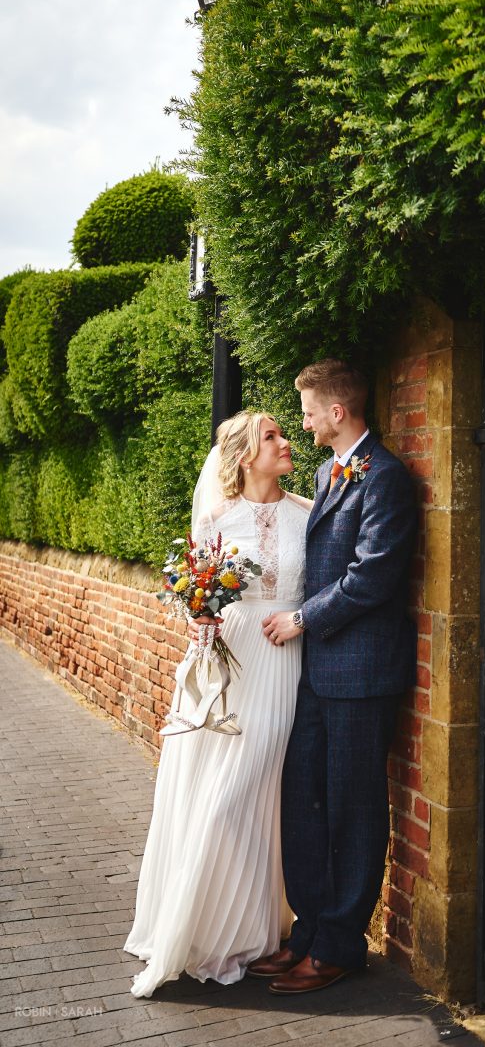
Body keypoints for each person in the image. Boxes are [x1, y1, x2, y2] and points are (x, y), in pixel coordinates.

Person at [125, 411, 313, 998]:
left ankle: (257, 931)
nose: (286, 443)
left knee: (260, 794)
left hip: (284, 664)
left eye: (284, 433)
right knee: (222, 796)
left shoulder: (308, 514)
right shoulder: (215, 518)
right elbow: (192, 596)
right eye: (273, 437)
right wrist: (198, 617)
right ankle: (203, 930)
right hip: (228, 668)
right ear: (242, 457)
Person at [248, 359, 417, 994]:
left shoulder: (387, 479)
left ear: (337, 413)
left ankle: (342, 946)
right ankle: (311, 933)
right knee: (305, 802)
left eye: (309, 410)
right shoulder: (325, 472)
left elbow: (374, 575)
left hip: (362, 670)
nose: (304, 420)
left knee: (353, 806)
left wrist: (302, 618)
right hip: (316, 669)